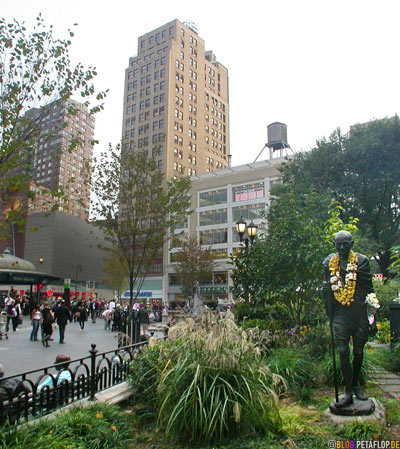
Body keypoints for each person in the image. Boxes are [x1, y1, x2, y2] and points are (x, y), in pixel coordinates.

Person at [323, 231, 374, 408]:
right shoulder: (329, 262)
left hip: (359, 312)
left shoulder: (362, 261)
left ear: (352, 244)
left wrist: (371, 316)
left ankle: (355, 384)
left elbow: (369, 289)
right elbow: (326, 289)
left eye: (346, 244)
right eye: (339, 244)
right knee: (343, 351)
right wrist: (329, 314)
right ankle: (348, 392)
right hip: (340, 314)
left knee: (358, 352)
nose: (342, 248)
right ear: (334, 245)